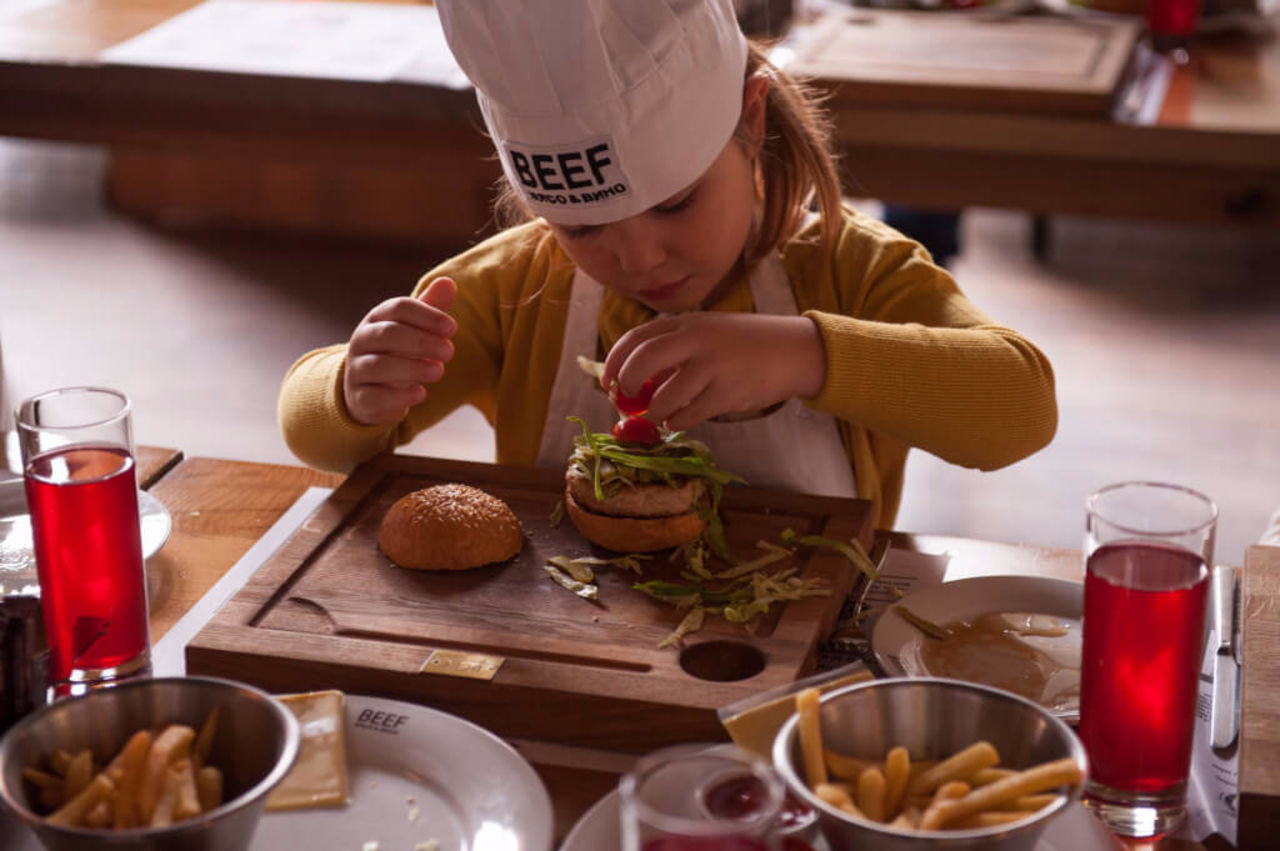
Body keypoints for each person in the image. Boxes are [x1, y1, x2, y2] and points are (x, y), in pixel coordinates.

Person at [277, 0, 1058, 531]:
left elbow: (1022, 409)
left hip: (808, 675)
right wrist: (353, 390)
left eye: (677, 203)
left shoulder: (853, 269)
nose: (637, 256)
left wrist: (805, 354)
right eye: (581, 227)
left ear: (751, 121)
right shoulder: (516, 288)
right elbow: (319, 439)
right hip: (575, 656)